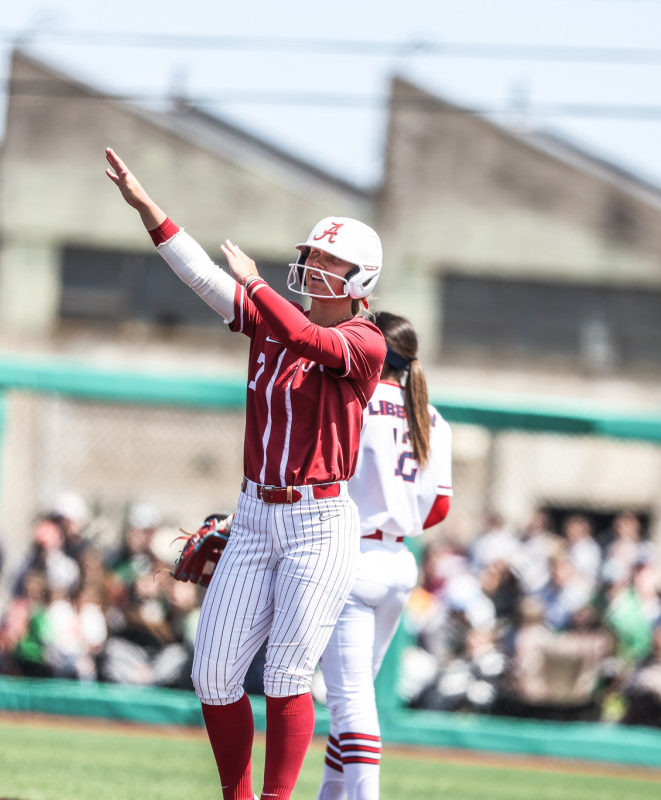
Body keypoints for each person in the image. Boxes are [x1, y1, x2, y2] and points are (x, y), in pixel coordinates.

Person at [106, 147, 386, 800]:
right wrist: (147, 208)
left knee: (287, 675)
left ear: (360, 280)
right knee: (212, 674)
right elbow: (202, 278)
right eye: (312, 254)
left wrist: (258, 286)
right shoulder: (270, 320)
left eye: (329, 260)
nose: (313, 264)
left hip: (320, 521)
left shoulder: (366, 340)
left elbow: (312, 342)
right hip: (256, 513)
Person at [313, 311, 452, 800]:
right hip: (397, 562)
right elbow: (440, 507)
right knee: (355, 700)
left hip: (351, 557)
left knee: (350, 701)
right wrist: (397, 517)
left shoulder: (356, 400)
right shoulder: (431, 416)